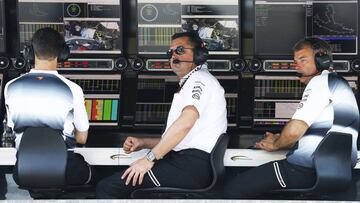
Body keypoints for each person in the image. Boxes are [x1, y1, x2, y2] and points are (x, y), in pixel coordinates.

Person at [96, 32, 227, 199]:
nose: (173, 56)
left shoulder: (199, 80)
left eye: (180, 50)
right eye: (170, 52)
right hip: (186, 164)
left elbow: (186, 122)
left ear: (199, 54)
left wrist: (149, 159)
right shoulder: (192, 81)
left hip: (189, 168)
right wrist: (144, 143)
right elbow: (181, 139)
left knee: (108, 188)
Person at [224, 37, 359, 198]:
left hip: (305, 170)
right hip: (338, 172)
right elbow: (320, 135)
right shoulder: (339, 84)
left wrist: (276, 144)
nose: (297, 66)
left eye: (303, 60)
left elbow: (295, 131)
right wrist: (281, 138)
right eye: (295, 61)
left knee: (234, 188)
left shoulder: (320, 81)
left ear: (322, 59)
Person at [4, 27, 93, 187]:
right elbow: (82, 138)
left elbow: (12, 129)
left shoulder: (11, 86)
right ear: (63, 54)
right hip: (67, 171)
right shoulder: (72, 89)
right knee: (99, 176)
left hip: (23, 171)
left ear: (29, 52)